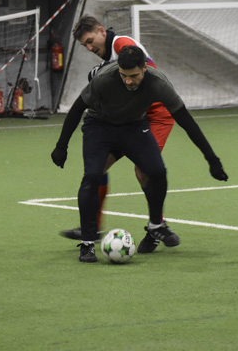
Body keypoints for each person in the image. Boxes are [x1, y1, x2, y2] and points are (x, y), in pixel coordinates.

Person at [51, 46, 228, 262]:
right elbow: (77, 109)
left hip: (134, 127)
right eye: (123, 75)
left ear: (145, 68)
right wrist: (62, 146)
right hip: (99, 127)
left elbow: (186, 120)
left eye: (133, 75)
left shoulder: (158, 83)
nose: (128, 81)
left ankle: (156, 225)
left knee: (157, 171)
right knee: (92, 175)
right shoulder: (104, 79)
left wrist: (212, 159)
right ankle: (87, 242)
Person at [59, 15, 176, 244]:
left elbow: (146, 75)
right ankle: (92, 229)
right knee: (99, 168)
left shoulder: (122, 45)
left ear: (102, 31)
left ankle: (157, 227)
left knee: (144, 170)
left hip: (156, 115)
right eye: (84, 45)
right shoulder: (108, 60)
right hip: (129, 118)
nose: (90, 47)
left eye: (90, 40)